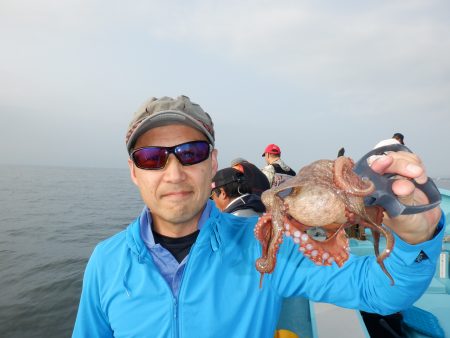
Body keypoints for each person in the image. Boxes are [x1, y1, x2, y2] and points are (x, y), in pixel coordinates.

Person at [73, 95, 445, 338]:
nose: (173, 173)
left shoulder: (264, 244)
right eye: (152, 157)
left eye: (191, 152)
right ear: (134, 171)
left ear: (213, 163)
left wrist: (416, 239)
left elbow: (380, 291)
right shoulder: (106, 263)